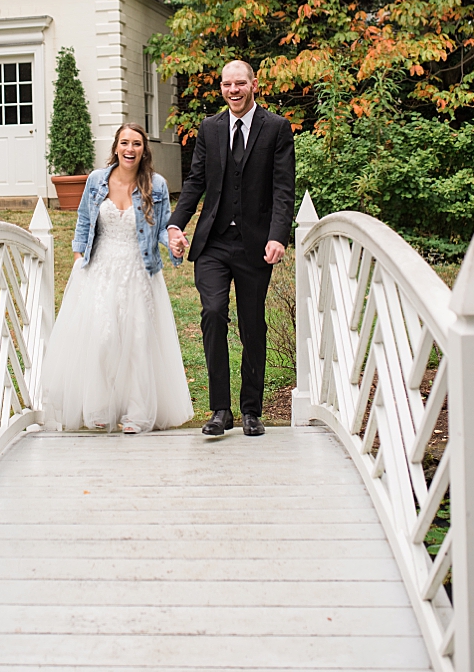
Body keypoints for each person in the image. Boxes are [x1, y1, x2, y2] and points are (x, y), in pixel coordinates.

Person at [167, 59, 296, 438]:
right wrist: (177, 222)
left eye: (240, 83)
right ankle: (221, 409)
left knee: (252, 325)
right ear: (221, 88)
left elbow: (283, 188)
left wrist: (278, 235)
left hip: (255, 245)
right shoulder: (210, 128)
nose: (233, 90)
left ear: (254, 84)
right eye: (227, 84)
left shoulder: (276, 128)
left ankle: (251, 410)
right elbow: (195, 181)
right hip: (214, 242)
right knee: (212, 312)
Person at [40, 123, 193, 434]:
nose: (130, 149)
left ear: (143, 150)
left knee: (137, 340)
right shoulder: (98, 180)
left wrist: (175, 244)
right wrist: (79, 257)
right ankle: (100, 407)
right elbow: (84, 219)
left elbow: (163, 227)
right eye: (125, 142)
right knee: (102, 337)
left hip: (140, 271)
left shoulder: (156, 185)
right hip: (101, 267)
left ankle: (137, 413)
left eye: (136, 143)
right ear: (115, 147)